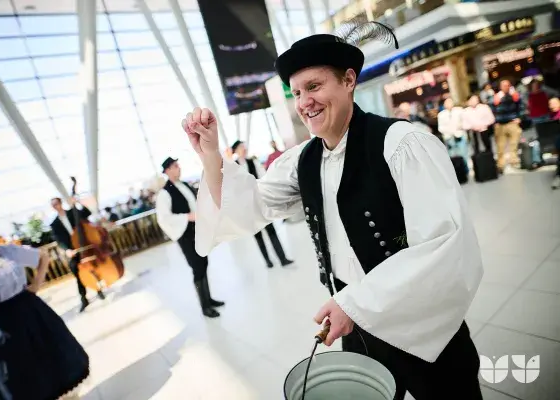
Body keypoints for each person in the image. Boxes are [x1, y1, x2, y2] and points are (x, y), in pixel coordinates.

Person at [182, 21, 483, 400]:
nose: (303, 102)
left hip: (422, 323)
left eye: (314, 86)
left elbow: (445, 243)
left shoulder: (402, 143)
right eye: (296, 92)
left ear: (349, 80)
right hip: (355, 324)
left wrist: (355, 304)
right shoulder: (303, 161)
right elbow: (251, 207)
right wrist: (210, 153)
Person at [0, 214, 89, 399]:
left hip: (32, 317)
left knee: (54, 369)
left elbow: (43, 256)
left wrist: (36, 284)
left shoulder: (9, 251)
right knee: (21, 383)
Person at [155, 157, 224, 318]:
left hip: (198, 231)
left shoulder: (184, 185)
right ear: (167, 171)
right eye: (175, 166)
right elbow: (164, 218)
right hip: (185, 235)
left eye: (178, 165)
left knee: (204, 263)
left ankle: (209, 299)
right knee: (197, 268)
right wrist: (187, 217)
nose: (179, 168)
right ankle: (205, 306)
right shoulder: (164, 193)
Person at [232, 140, 294, 269]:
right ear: (236, 150)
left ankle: (283, 259)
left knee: (271, 231)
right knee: (258, 236)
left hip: (260, 203)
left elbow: (263, 178)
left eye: (244, 146)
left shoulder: (253, 162)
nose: (244, 149)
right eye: (241, 147)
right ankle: (267, 261)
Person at [50, 196, 105, 312]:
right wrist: (66, 250)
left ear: (61, 203)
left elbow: (87, 213)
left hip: (84, 245)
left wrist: (78, 202)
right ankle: (84, 298)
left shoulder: (73, 213)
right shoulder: (54, 224)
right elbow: (59, 240)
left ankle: (98, 290)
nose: (56, 206)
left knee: (92, 270)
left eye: (57, 203)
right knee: (77, 272)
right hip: (73, 251)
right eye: (53, 205)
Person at [490, 79, 525, 173]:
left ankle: (514, 161)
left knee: (514, 144)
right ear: (500, 87)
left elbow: (521, 106)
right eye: (503, 85)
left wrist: (519, 118)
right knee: (500, 146)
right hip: (500, 124)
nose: (505, 87)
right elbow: (492, 109)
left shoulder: (514, 95)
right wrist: (495, 121)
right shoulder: (496, 97)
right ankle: (500, 165)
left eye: (507, 85)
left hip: (512, 122)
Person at [437, 98, 470, 170]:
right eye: (447, 103)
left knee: (463, 153)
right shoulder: (441, 115)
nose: (449, 104)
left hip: (459, 135)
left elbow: (465, 122)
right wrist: (450, 130)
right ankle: (457, 172)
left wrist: (459, 126)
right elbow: (440, 128)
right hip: (449, 137)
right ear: (444, 105)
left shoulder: (460, 110)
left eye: (450, 102)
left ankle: (466, 170)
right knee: (452, 156)